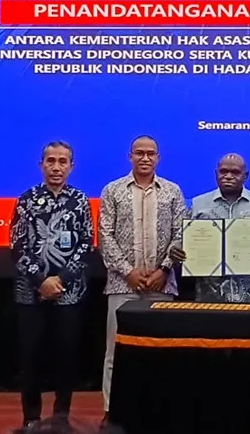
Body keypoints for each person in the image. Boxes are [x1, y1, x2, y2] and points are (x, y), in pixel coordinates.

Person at [98, 135, 185, 422]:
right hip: (122, 285)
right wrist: (128, 271)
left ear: (158, 158)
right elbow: (105, 236)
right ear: (130, 156)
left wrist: (164, 269)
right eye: (139, 153)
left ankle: (159, 412)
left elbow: (180, 234)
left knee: (161, 351)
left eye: (150, 153)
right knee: (116, 352)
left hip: (162, 285)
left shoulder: (172, 191)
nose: (145, 158)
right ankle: (111, 412)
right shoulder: (112, 190)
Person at [9, 141, 93, 427]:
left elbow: (86, 244)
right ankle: (31, 419)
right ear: (41, 165)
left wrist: (61, 280)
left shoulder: (79, 200)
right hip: (30, 294)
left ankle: (60, 419)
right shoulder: (26, 199)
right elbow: (17, 246)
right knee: (30, 359)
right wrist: (41, 281)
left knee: (66, 359)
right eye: (51, 161)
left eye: (62, 161)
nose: (56, 167)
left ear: (71, 166)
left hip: (69, 294)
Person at [170, 153, 250, 303]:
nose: (228, 176)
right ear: (216, 174)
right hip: (209, 293)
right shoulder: (199, 204)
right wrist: (176, 249)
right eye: (223, 171)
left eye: (235, 172)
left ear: (245, 176)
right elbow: (181, 239)